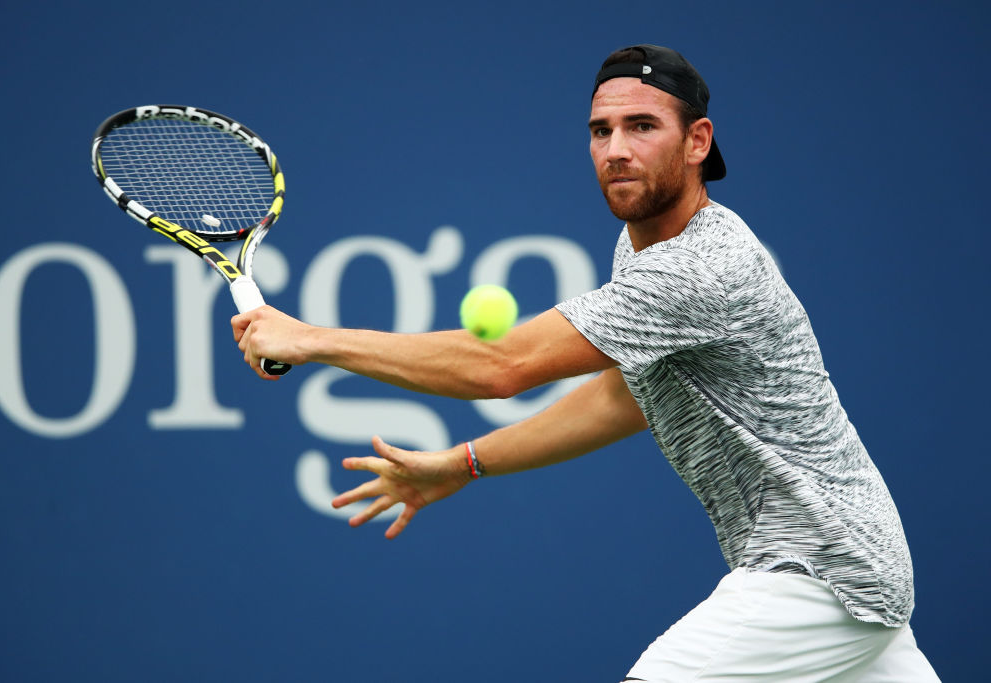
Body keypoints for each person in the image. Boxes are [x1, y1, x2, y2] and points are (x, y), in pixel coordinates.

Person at [231, 44, 940, 681]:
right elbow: (622, 398)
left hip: (821, 573)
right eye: (601, 131)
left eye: (642, 126)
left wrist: (310, 339)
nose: (616, 149)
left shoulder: (700, 268)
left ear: (697, 142)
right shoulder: (641, 247)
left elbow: (501, 367)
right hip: (852, 569)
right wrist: (464, 463)